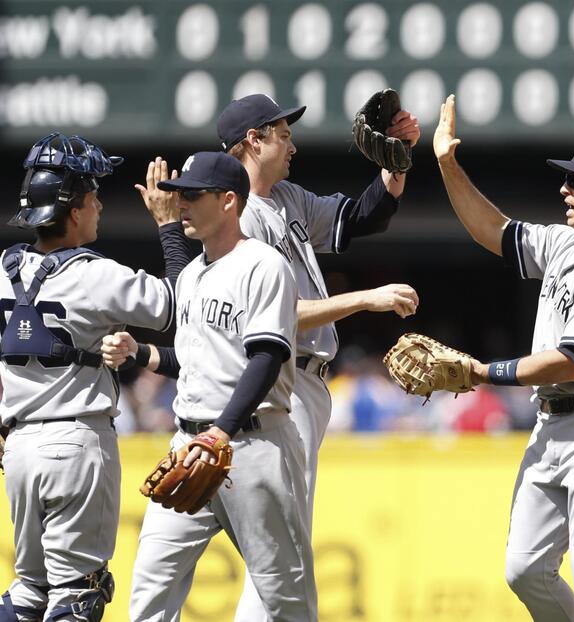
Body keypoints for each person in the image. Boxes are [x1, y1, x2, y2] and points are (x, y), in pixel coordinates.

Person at [433, 94, 574, 622]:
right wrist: (447, 164)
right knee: (525, 569)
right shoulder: (563, 244)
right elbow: (493, 230)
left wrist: (483, 373)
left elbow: (571, 361)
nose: (564, 188)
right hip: (551, 425)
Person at [216, 93, 420, 620]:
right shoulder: (238, 217)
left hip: (307, 383)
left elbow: (359, 220)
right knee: (281, 548)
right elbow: (272, 316)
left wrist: (394, 161)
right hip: (278, 379)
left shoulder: (285, 197)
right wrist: (365, 300)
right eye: (282, 134)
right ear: (253, 141)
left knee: (280, 546)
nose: (292, 144)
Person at [102, 151, 314, 621]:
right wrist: (140, 352)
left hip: (253, 443)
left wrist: (220, 430)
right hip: (189, 442)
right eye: (180, 195)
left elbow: (267, 356)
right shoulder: (194, 274)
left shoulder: (264, 266)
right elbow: (199, 363)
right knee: (151, 587)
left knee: (284, 599)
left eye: (193, 195)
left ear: (228, 201)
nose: (182, 205)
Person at [0, 133, 183, 621]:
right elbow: (179, 304)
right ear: (74, 211)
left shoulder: (3, 268)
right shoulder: (94, 275)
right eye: (92, 195)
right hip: (76, 442)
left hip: (18, 448)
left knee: (28, 591)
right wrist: (168, 226)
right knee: (78, 592)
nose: (100, 204)